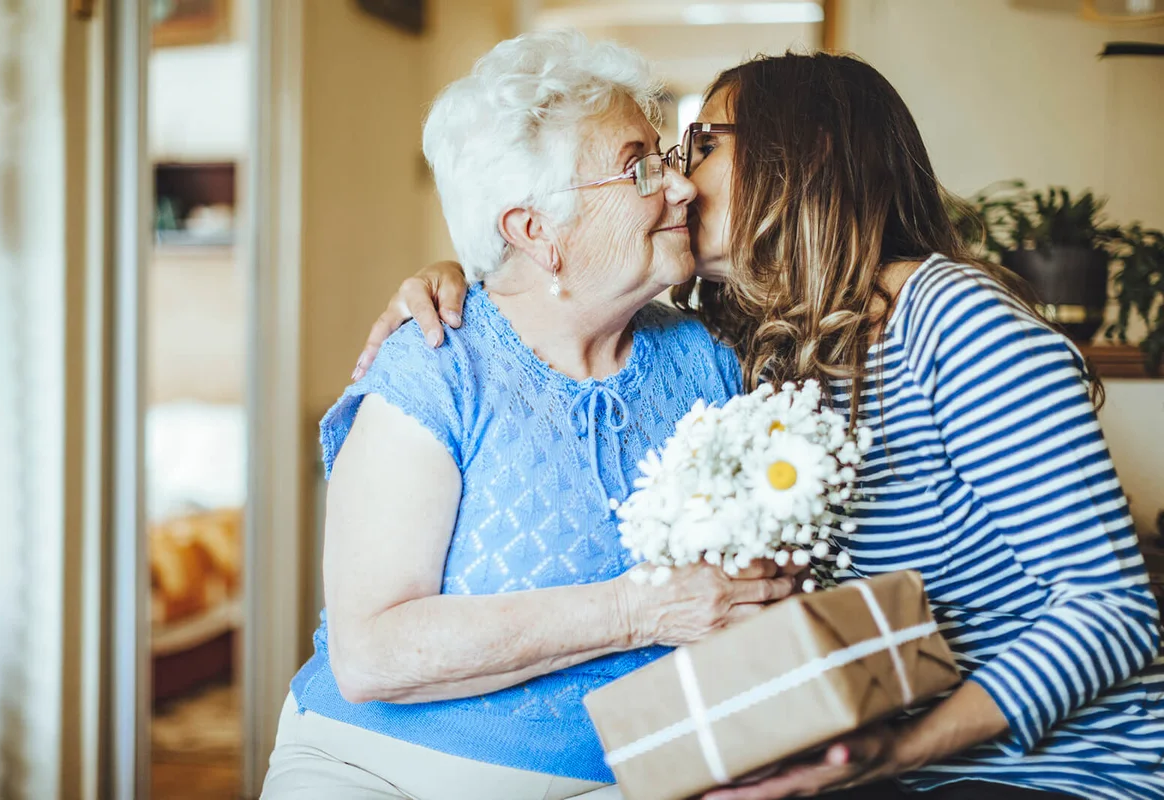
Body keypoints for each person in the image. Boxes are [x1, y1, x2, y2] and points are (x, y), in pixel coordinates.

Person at [356, 50, 1164, 800]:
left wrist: (906, 750)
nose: (676, 179)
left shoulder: (952, 321)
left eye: (700, 143)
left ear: (801, 154)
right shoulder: (754, 347)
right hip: (875, 766)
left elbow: (1113, 611)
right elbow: (561, 289)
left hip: (1057, 769)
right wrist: (457, 278)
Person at [261, 31, 801, 800]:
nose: (680, 189)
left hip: (633, 779)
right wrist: (638, 609)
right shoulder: (437, 365)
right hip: (381, 774)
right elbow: (371, 653)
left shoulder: (707, 359)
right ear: (534, 230)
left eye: (666, 158)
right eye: (638, 168)